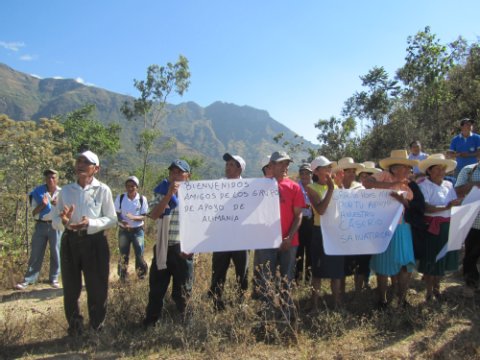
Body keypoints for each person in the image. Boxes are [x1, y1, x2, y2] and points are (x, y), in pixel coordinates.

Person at [53, 151, 117, 336]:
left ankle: (96, 327)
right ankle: (75, 328)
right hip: (70, 241)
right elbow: (55, 222)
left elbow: (112, 219)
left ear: (96, 169)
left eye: (86, 162)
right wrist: (64, 221)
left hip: (95, 242)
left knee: (97, 287)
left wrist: (91, 223)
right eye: (78, 161)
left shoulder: (102, 190)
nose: (80, 164)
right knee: (71, 289)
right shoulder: (66, 191)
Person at [253, 151, 305, 319]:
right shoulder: (259, 187)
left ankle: (286, 316)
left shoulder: (294, 187)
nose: (285, 167)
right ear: (271, 166)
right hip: (265, 242)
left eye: (287, 163)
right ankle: (266, 318)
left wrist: (289, 237)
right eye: (281, 163)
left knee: (286, 279)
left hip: (289, 243)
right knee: (265, 280)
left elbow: (299, 215)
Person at [363, 150, 418, 308]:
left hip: (402, 227)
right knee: (383, 264)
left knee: (405, 264)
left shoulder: (406, 184)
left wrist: (401, 199)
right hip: (383, 226)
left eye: (408, 168)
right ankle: (382, 300)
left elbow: (408, 204)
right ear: (394, 168)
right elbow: (367, 183)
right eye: (405, 167)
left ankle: (402, 299)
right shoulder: (383, 175)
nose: (408, 171)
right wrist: (391, 186)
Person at [144, 159, 193, 327]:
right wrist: (169, 195)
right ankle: (150, 323)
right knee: (156, 289)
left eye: (180, 172)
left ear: (188, 176)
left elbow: (200, 223)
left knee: (183, 291)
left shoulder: (195, 196)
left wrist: (193, 247)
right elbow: (154, 214)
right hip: (163, 247)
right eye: (173, 172)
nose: (176, 176)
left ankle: (186, 325)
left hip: (182, 249)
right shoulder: (160, 191)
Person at [417, 154, 460, 301]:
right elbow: (426, 207)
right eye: (437, 169)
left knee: (441, 258)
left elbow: (454, 203)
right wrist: (446, 206)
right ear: (429, 171)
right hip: (432, 227)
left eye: (442, 169)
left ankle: (437, 289)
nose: (440, 172)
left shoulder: (448, 185)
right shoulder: (423, 186)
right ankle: (429, 292)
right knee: (431, 258)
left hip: (447, 225)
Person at [209, 153, 249, 310]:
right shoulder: (218, 185)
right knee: (218, 271)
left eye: (231, 164)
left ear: (240, 169)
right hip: (221, 238)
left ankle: (241, 302)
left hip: (241, 239)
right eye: (227, 164)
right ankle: (216, 302)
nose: (227, 167)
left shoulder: (249, 188)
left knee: (243, 272)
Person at [15, 169, 62, 290]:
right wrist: (43, 204)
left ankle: (54, 278)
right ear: (45, 179)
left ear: (57, 179)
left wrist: (59, 206)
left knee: (56, 252)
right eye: (48, 178)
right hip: (41, 225)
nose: (50, 180)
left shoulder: (62, 193)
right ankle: (29, 279)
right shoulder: (37, 192)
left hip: (56, 225)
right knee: (36, 253)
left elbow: (68, 211)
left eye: (53, 177)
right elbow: (33, 213)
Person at [306, 156, 338, 309]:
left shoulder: (336, 187)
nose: (329, 170)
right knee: (317, 271)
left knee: (336, 271)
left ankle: (337, 304)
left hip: (334, 231)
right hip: (320, 231)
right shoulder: (311, 189)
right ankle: (314, 305)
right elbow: (321, 210)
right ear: (317, 171)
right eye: (326, 168)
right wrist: (331, 189)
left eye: (330, 168)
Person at [336, 158, 371, 293]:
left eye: (353, 171)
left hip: (359, 232)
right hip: (342, 232)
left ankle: (357, 291)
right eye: (348, 171)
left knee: (361, 263)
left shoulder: (360, 188)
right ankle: (342, 293)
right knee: (343, 264)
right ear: (341, 172)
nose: (351, 174)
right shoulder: (333, 187)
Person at [115, 175, 149, 281]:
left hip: (137, 230)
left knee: (139, 254)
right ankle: (123, 276)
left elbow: (144, 216)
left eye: (133, 186)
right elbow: (117, 212)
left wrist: (134, 218)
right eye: (128, 186)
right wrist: (122, 221)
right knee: (123, 254)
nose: (130, 188)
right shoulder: (120, 198)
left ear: (137, 187)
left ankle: (141, 275)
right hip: (124, 230)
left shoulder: (142, 199)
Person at [454, 153, 480, 291]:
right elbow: (457, 191)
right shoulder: (468, 170)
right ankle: (471, 284)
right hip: (473, 221)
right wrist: (475, 185)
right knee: (471, 254)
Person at [295, 163, 313, 284]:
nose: (305, 175)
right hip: (300, 221)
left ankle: (308, 279)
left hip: (312, 222)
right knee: (299, 251)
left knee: (311, 251)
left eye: (307, 173)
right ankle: (297, 278)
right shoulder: (296, 187)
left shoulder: (315, 187)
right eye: (302, 173)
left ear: (311, 174)